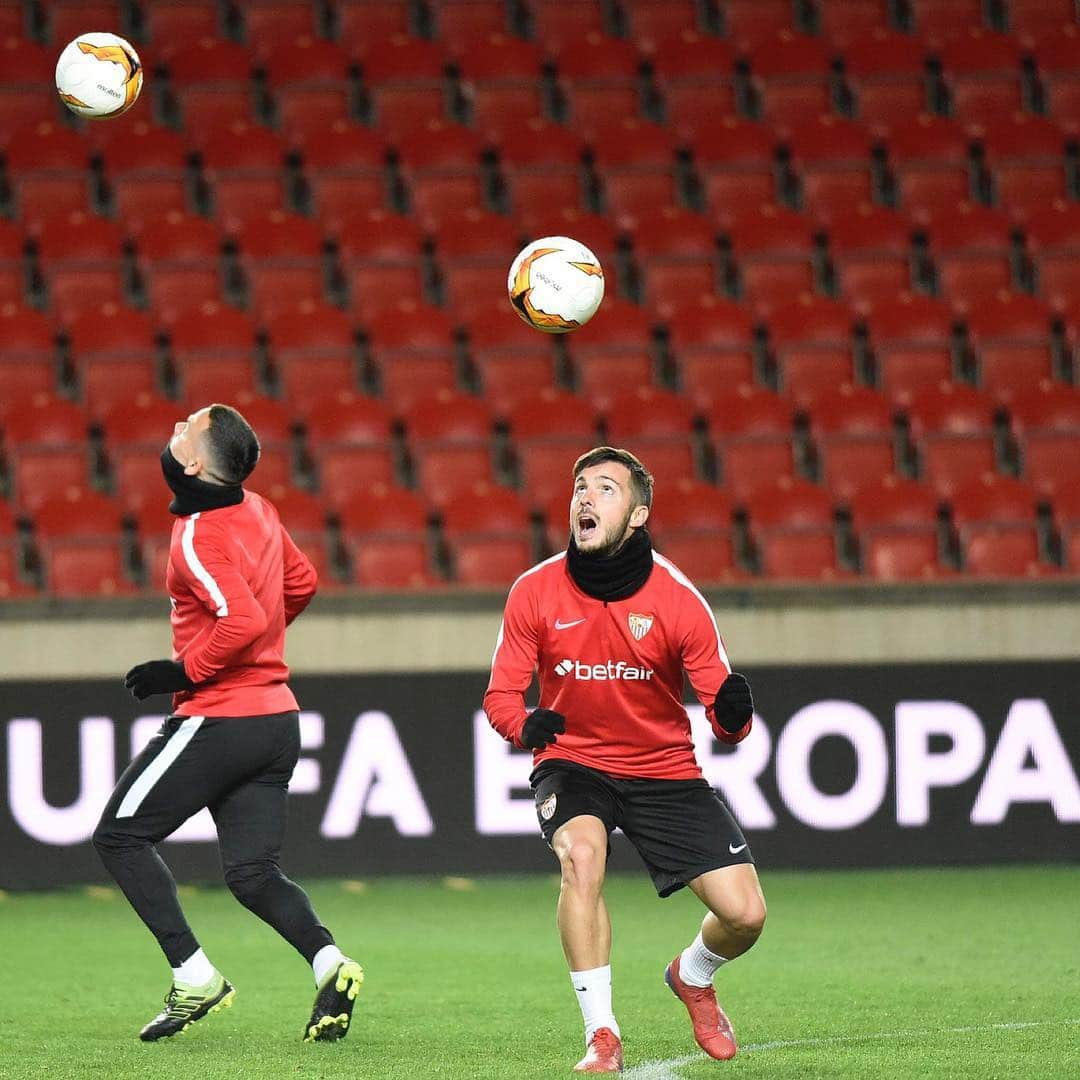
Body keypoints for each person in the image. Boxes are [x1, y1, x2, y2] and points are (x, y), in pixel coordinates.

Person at [484, 447, 765, 1073]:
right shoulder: (534, 590)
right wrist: (525, 724)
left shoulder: (679, 599)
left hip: (663, 768)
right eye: (580, 485)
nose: (585, 496)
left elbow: (725, 718)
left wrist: (735, 714)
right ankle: (602, 1033)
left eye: (605, 489)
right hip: (573, 760)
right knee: (581, 858)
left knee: (745, 916)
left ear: (637, 515)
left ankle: (692, 975)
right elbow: (500, 696)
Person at [93, 404, 363, 1043]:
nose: (176, 426)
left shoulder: (197, 533)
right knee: (252, 874)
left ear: (192, 462)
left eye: (186, 424)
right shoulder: (259, 510)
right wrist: (264, 653)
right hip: (275, 722)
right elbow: (302, 583)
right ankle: (330, 964)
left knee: (118, 836)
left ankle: (194, 975)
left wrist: (184, 671)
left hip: (221, 719)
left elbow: (240, 622)